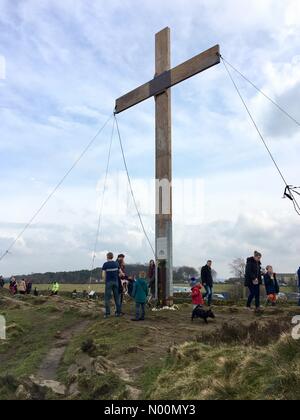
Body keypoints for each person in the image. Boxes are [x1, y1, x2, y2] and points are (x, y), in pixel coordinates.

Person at [102, 252, 121, 318]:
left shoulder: (105, 264)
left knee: (107, 298)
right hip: (116, 282)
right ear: (112, 257)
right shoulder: (116, 263)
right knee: (117, 298)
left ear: (107, 256)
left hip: (108, 282)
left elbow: (103, 275)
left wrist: (104, 281)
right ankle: (118, 313)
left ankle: (107, 313)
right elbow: (121, 273)